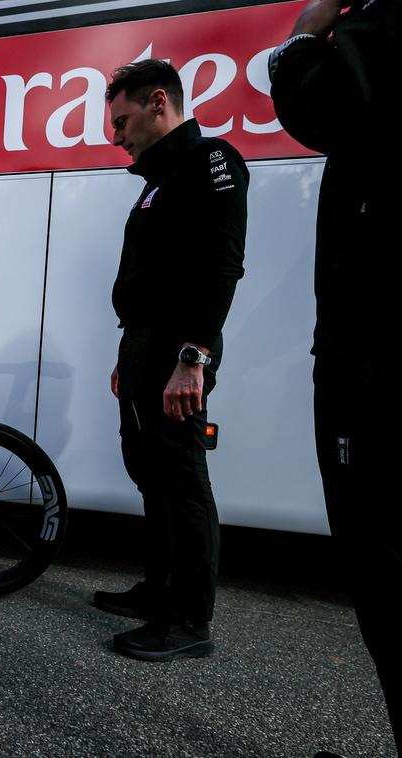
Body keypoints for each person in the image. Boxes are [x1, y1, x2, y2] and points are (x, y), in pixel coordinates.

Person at [270, 0, 400, 748]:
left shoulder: (376, 33)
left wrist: (306, 28)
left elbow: (322, 99)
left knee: (390, 583)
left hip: (379, 364)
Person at [96, 60, 248, 661]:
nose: (116, 136)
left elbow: (221, 265)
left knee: (182, 482)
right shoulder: (159, 179)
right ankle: (157, 590)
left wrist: (195, 356)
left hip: (177, 350)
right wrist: (125, 356)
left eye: (123, 120)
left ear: (160, 101)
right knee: (149, 474)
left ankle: (188, 622)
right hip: (143, 346)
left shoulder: (210, 161)